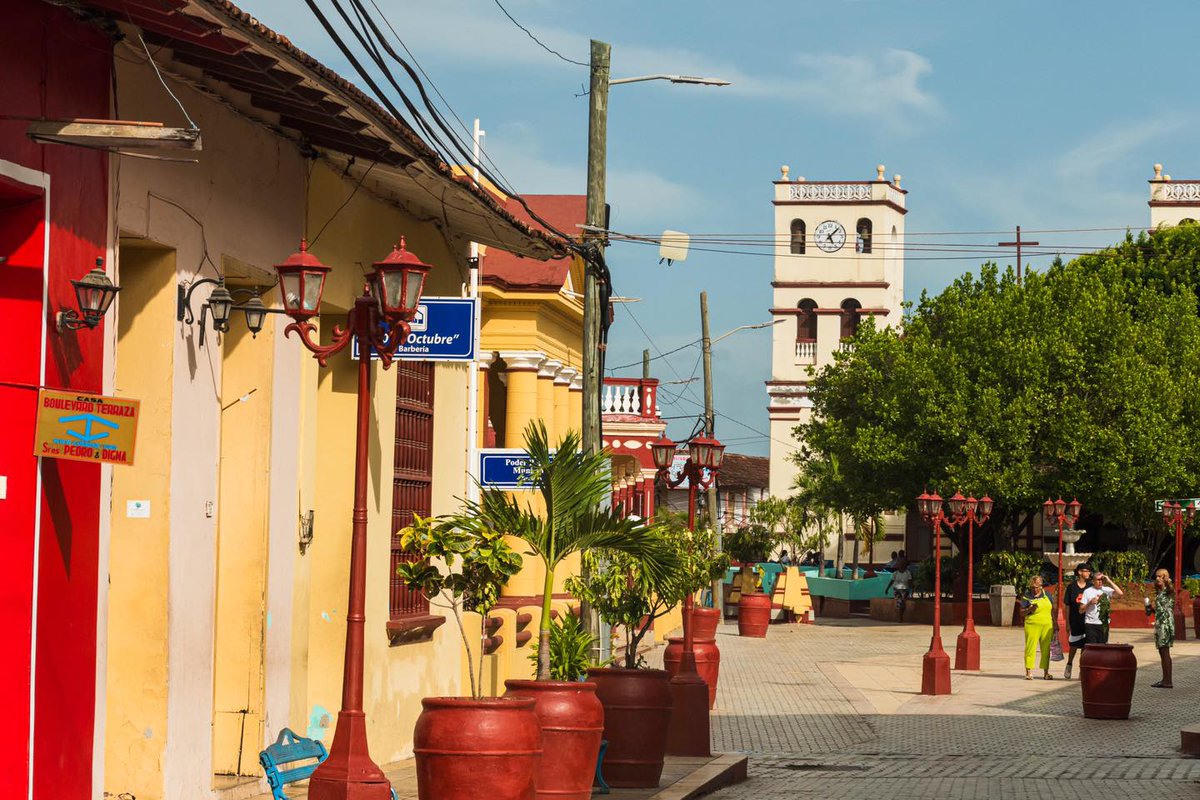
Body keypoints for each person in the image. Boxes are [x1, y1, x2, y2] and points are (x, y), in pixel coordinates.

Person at [1146, 568, 1176, 688]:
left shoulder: (1169, 590)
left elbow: (1171, 589)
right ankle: (1165, 679)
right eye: (1156, 576)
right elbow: (1159, 610)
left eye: (1160, 576)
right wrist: (1150, 608)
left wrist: (1167, 581)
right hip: (1160, 623)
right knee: (1162, 651)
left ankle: (1168, 681)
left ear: (1165, 577)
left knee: (1165, 651)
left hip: (1166, 624)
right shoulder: (1159, 593)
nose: (1157, 578)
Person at [1021, 575, 1054, 680]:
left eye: (1037, 587)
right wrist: (1030, 609)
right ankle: (1028, 672)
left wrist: (1055, 623)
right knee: (1030, 648)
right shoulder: (1027, 596)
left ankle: (1046, 672)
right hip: (1032, 625)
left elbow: (1052, 610)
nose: (1034, 590)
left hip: (1047, 625)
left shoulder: (1047, 595)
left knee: (1046, 649)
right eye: (1032, 587)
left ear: (1041, 586)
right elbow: (1021, 613)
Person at [1063, 563, 1091, 679]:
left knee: (1085, 646)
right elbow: (1067, 605)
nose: (1088, 573)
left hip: (1087, 621)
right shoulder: (1071, 587)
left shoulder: (1090, 586)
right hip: (1074, 621)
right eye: (1086, 571)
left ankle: (1081, 669)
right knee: (1074, 646)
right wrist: (1067, 623)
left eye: (1089, 571)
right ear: (1079, 572)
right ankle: (1069, 664)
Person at [1079, 572, 1123, 645]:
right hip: (1091, 624)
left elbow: (1120, 593)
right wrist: (1090, 603)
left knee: (1103, 648)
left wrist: (1109, 580)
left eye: (1102, 579)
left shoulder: (1106, 590)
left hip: (1104, 624)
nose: (1100, 581)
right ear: (1093, 581)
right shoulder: (1087, 591)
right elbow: (1081, 610)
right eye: (1098, 580)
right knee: (1092, 648)